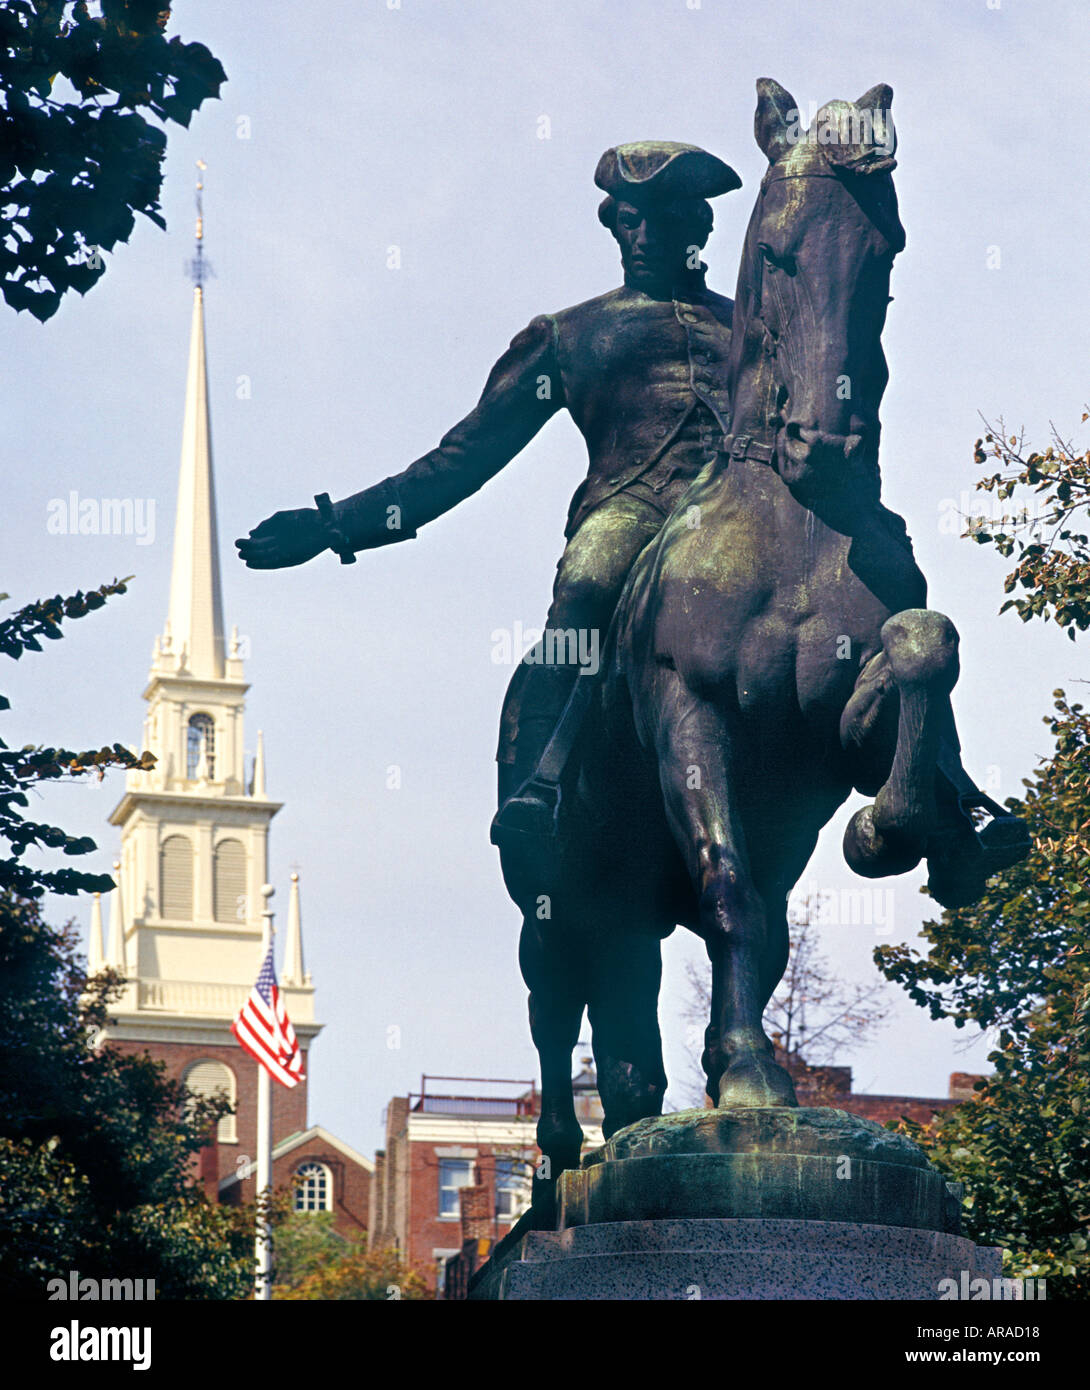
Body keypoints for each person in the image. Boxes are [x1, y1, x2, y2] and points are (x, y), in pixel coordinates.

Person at [236, 141, 741, 843]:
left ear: (702, 229)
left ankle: (934, 770)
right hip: (638, 509)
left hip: (745, 514)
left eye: (665, 222)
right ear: (613, 224)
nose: (646, 238)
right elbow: (463, 459)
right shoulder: (569, 337)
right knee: (589, 585)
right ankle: (544, 783)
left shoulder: (756, 329)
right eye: (630, 221)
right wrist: (333, 526)